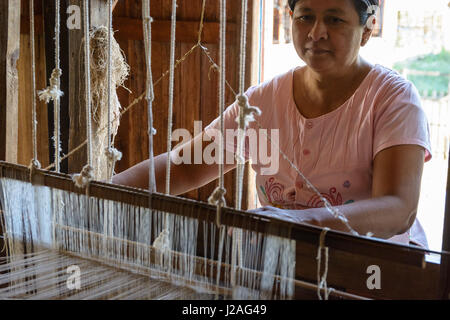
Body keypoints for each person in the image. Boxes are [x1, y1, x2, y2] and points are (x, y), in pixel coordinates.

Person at [112, 0, 432, 248]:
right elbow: (185, 167)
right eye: (305, 15)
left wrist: (297, 223)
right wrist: (100, 191)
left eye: (334, 19)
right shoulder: (263, 102)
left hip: (370, 269)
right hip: (281, 261)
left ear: (367, 29)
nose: (316, 32)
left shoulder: (392, 100)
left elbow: (398, 209)